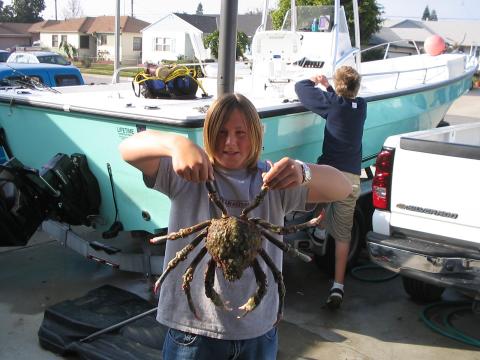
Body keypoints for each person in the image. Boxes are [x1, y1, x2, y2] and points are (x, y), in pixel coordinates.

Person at [119, 93, 351, 359]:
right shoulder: (188, 173)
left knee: (270, 276)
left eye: (240, 132)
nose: (230, 142)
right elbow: (128, 148)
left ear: (256, 134)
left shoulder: (274, 181)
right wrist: (176, 144)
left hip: (258, 330)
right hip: (192, 331)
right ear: (207, 133)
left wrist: (303, 171)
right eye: (220, 132)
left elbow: (343, 188)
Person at [294, 66, 367, 310]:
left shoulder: (332, 104)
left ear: (337, 86)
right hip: (352, 180)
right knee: (344, 234)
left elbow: (301, 89)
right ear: (357, 88)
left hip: (329, 176)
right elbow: (344, 99)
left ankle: (320, 228)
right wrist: (329, 87)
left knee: (306, 187)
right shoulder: (362, 107)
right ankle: (338, 285)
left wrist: (315, 80)